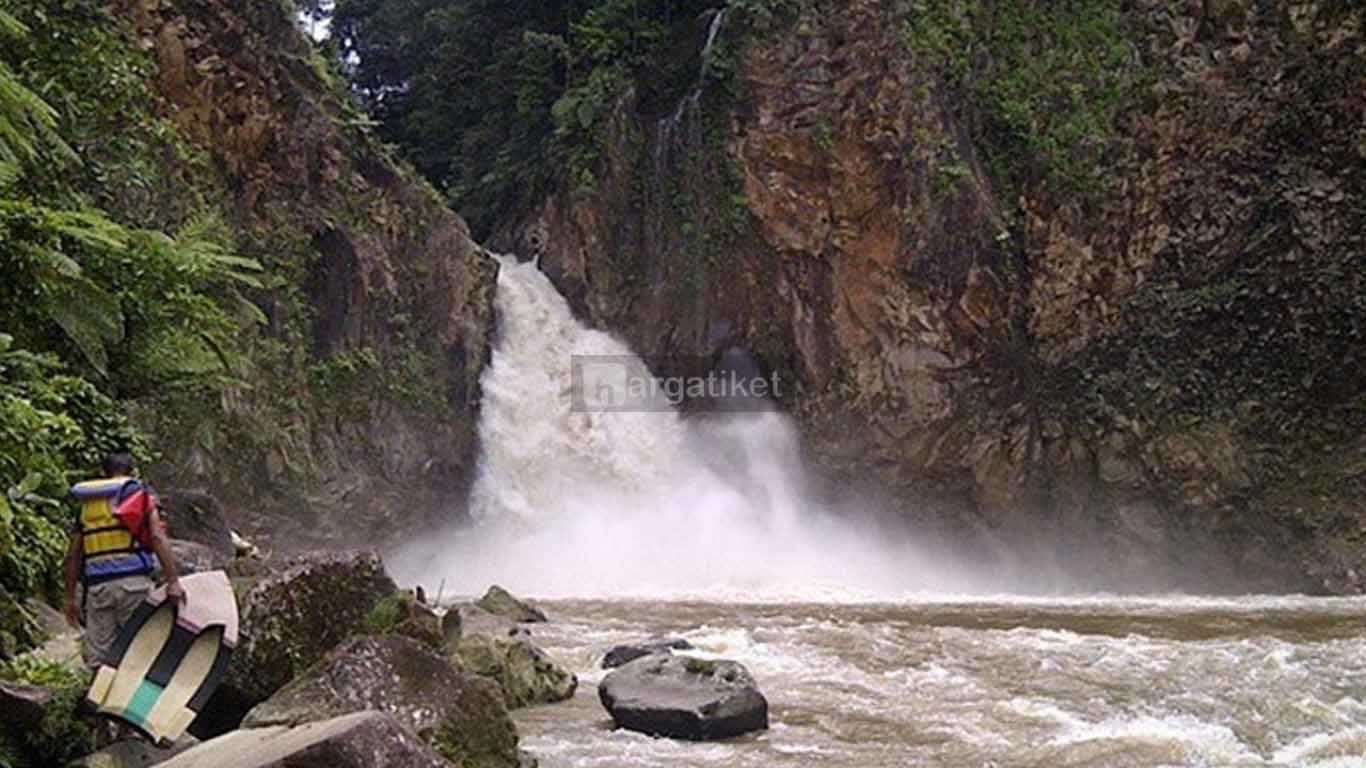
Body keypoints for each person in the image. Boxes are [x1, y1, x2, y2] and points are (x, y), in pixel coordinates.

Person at [63, 452, 185, 666]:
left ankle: (100, 695)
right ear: (132, 472)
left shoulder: (87, 505)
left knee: (99, 657)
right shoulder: (139, 497)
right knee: (139, 650)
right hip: (134, 585)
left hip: (98, 588)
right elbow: (157, 537)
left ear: (103, 473)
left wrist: (70, 597)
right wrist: (173, 580)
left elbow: (74, 554)